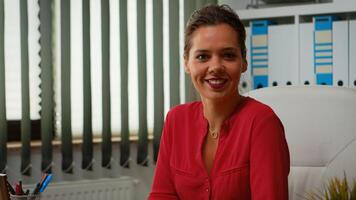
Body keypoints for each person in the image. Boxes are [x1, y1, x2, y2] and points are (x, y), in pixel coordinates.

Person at [148, 4, 290, 200]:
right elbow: (162, 195)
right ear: (187, 63)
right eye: (203, 56)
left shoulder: (262, 122)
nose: (215, 67)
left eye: (228, 55)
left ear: (243, 62)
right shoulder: (176, 119)